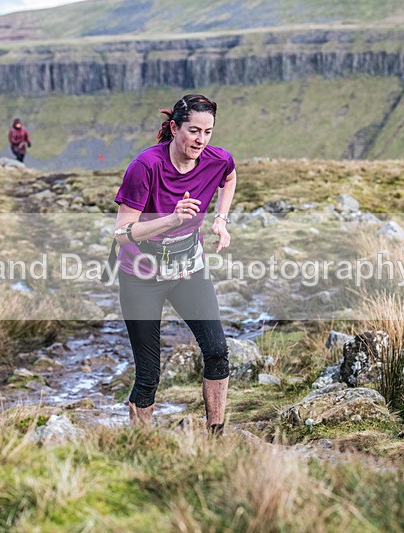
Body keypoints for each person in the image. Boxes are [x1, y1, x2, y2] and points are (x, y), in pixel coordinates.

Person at [112, 94, 237, 434]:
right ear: (173, 128)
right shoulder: (145, 166)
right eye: (194, 130)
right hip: (141, 275)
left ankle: (216, 436)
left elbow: (230, 175)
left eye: (208, 132)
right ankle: (141, 444)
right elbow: (122, 233)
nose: (201, 140)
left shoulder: (216, 159)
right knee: (149, 373)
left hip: (188, 270)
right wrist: (171, 219)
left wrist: (221, 219)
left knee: (217, 351)